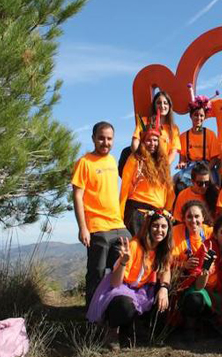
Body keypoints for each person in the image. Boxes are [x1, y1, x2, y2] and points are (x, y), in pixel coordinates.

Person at [86, 211, 173, 351]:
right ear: (148, 227)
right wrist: (123, 262)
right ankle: (112, 330)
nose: (160, 230)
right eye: (155, 226)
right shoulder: (134, 245)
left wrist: (164, 288)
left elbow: (166, 269)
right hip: (121, 286)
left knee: (162, 299)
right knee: (124, 305)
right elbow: (115, 283)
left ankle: (132, 329)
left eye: (164, 227)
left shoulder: (163, 249)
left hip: (142, 289)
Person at [72, 121, 132, 307]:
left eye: (109, 139)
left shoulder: (113, 161)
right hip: (97, 228)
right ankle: (92, 317)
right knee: (96, 273)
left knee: (122, 269)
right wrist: (83, 227)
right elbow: (77, 195)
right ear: (93, 139)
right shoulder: (84, 162)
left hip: (119, 226)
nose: (105, 142)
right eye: (101, 138)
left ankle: (114, 311)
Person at [120, 115, 174, 237]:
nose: (152, 143)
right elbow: (125, 187)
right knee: (138, 251)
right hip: (137, 213)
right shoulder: (135, 159)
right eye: (148, 140)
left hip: (157, 215)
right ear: (142, 142)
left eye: (155, 140)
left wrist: (167, 211)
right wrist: (120, 216)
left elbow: (169, 191)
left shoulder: (163, 163)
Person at [169, 200, 214, 342]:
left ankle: (195, 325)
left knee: (197, 298)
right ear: (183, 218)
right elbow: (165, 259)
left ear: (203, 218)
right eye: (189, 217)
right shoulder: (175, 232)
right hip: (179, 281)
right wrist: (184, 264)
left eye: (196, 217)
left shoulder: (209, 232)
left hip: (205, 282)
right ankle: (182, 326)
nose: (193, 221)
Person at [131, 91, 181, 165]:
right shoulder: (144, 121)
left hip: (162, 166)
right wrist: (139, 159)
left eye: (165, 103)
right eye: (158, 103)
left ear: (169, 106)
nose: (162, 106)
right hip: (144, 164)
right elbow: (135, 140)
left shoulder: (174, 129)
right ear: (154, 106)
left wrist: (164, 166)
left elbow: (173, 151)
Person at [177, 93, 221, 174]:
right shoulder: (183, 136)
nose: (199, 118)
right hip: (190, 169)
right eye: (196, 115)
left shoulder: (210, 134)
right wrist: (182, 164)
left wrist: (206, 171)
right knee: (176, 182)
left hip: (207, 168)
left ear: (205, 117)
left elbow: (215, 158)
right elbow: (182, 159)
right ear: (191, 116)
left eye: (201, 115)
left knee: (213, 185)